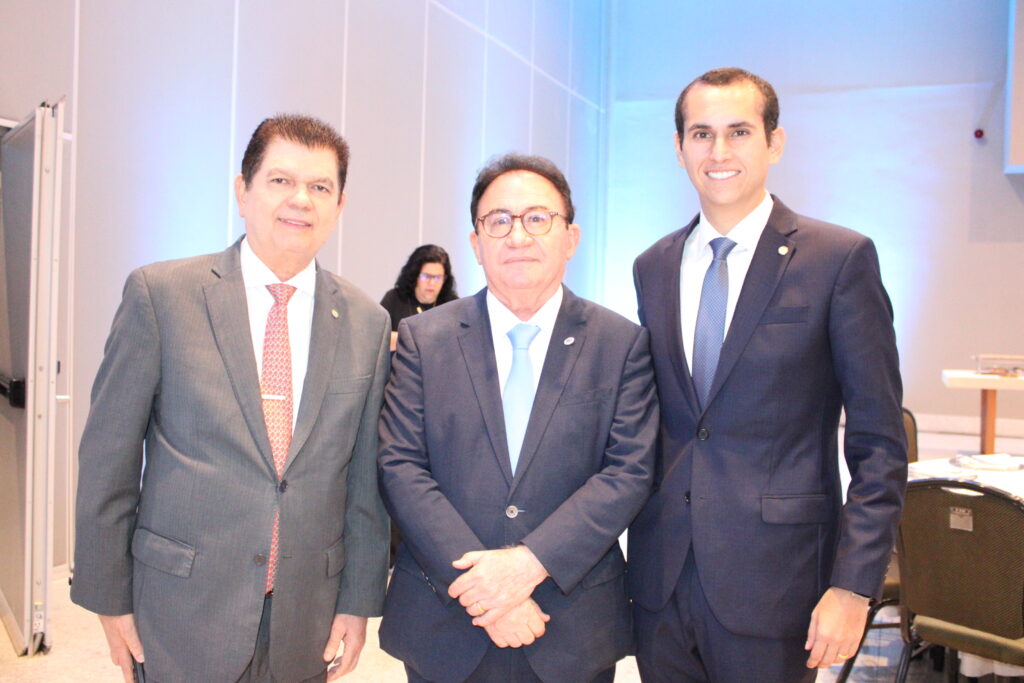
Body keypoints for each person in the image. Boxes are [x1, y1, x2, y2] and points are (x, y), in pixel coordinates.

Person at [71, 114, 391, 683]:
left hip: (305, 616)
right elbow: (108, 459)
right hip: (180, 607)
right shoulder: (161, 296)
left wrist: (358, 600)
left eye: (321, 187)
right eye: (280, 180)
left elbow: (365, 481)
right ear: (242, 191)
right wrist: (109, 598)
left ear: (340, 206)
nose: (301, 200)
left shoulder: (367, 322)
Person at [627, 67, 908, 682]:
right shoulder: (652, 265)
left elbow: (879, 445)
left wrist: (853, 588)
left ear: (774, 143)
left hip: (780, 587)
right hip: (661, 580)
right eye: (701, 134)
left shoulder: (839, 260)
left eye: (739, 132)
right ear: (679, 150)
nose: (719, 151)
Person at [377, 153, 659, 682]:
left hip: (570, 624)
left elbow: (628, 472)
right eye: (498, 221)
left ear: (570, 237)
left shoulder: (620, 344)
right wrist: (487, 591)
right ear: (475, 243)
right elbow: (400, 466)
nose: (518, 236)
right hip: (445, 622)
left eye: (537, 218)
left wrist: (527, 565)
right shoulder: (425, 339)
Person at [380, 244, 459, 352]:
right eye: (426, 276)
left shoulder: (453, 305)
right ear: (415, 275)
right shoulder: (394, 299)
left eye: (437, 278)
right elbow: (380, 338)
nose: (431, 283)